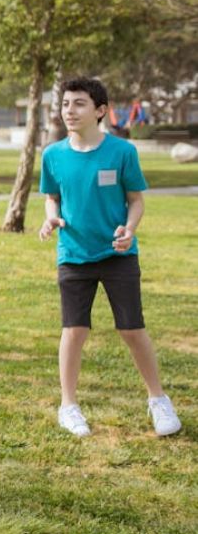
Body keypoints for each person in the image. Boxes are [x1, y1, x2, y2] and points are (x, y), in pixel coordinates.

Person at [38, 76, 181, 438]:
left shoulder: (122, 152)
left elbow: (136, 200)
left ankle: (158, 401)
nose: (70, 110)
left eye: (79, 103)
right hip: (73, 254)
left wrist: (130, 229)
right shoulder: (52, 155)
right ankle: (68, 406)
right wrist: (50, 216)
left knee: (132, 329)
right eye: (66, 103)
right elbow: (52, 196)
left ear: (100, 111)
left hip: (118, 254)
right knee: (74, 330)